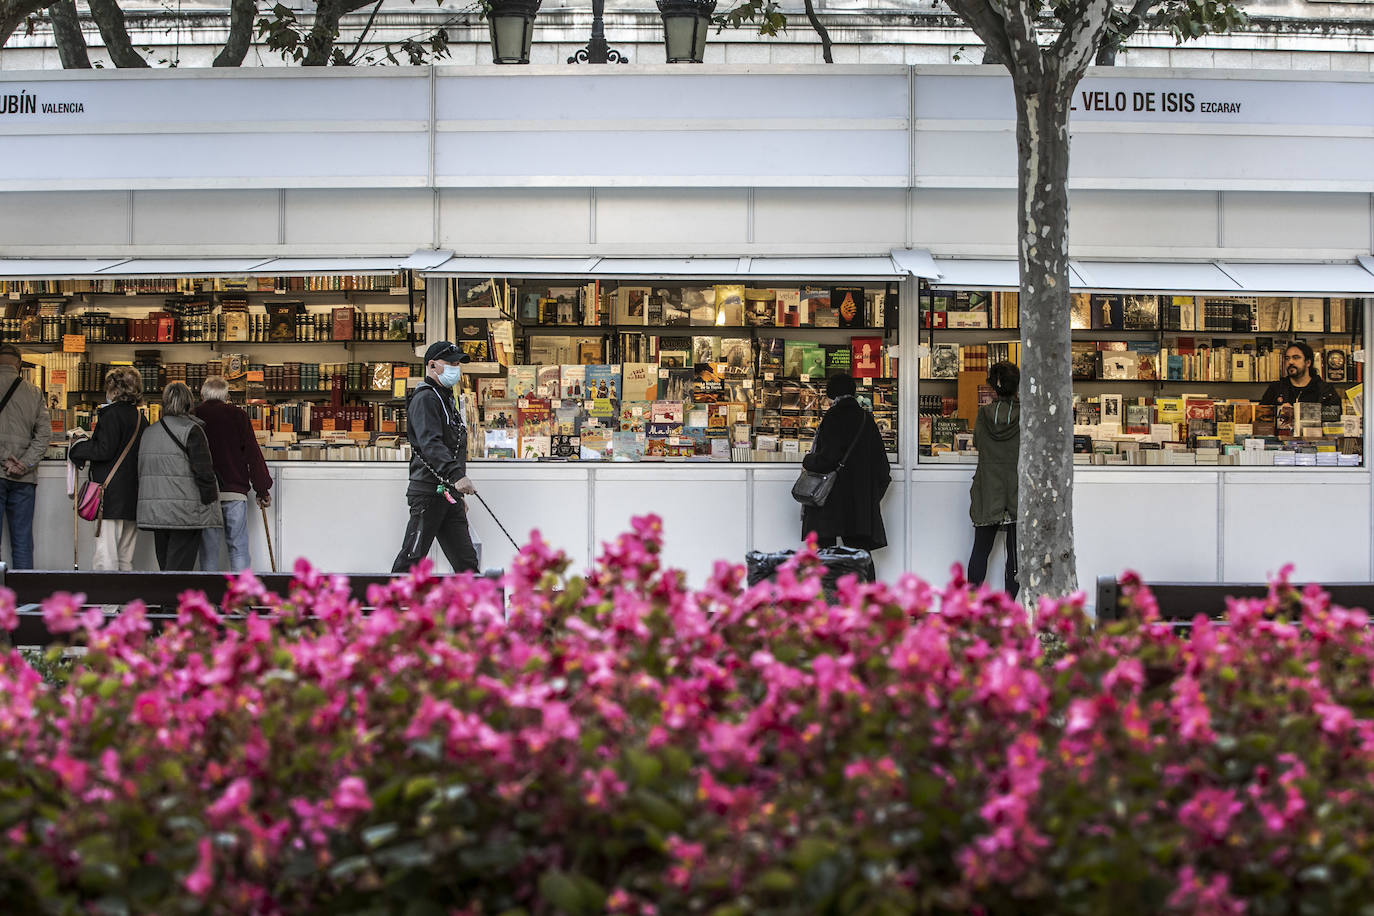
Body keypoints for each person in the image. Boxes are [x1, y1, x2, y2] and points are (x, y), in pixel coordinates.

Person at [391, 341, 478, 574]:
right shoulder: (426, 399)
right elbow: (431, 443)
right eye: (450, 363)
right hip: (429, 493)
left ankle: (476, 608)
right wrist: (456, 475)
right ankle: (390, 606)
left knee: (466, 560)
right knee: (412, 558)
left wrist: (456, 489)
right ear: (431, 365)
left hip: (448, 494)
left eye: (457, 363)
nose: (455, 368)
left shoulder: (445, 398)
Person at [800, 373, 891, 551]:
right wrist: (870, 497)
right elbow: (882, 467)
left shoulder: (832, 417)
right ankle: (864, 580)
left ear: (831, 392)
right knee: (859, 554)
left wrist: (808, 460)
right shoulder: (867, 419)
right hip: (859, 500)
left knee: (825, 553)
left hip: (830, 500)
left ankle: (830, 580)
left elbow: (827, 458)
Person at [137, 382, 222, 571]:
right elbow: (204, 470)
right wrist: (210, 501)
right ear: (188, 403)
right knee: (180, 569)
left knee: (165, 565)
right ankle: (171, 601)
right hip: (185, 511)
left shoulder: (149, 432)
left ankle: (166, 599)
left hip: (157, 511)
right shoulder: (192, 430)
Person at [69, 367, 145, 571]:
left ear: (114, 389)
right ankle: (123, 600)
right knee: (124, 556)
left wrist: (78, 447)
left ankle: (108, 603)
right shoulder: (140, 417)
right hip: (132, 493)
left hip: (110, 495)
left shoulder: (112, 415)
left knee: (106, 554)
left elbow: (104, 450)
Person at [195, 375, 273, 572]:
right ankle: (240, 600)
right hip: (235, 490)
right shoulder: (237, 415)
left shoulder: (194, 414)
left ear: (202, 395)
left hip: (205, 492)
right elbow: (252, 453)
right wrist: (262, 488)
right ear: (226, 395)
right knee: (238, 548)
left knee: (209, 550)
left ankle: (210, 602)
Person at [967, 361, 1021, 599]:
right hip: (1017, 488)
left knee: (980, 550)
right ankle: (1009, 607)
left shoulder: (983, 414)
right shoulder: (1026, 416)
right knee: (1015, 555)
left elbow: (978, 442)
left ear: (994, 387)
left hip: (988, 487)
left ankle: (969, 606)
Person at [0, 344, 50, 569]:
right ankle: (25, 599)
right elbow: (44, 435)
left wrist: (4, 459)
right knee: (22, 542)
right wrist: (24, 463)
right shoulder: (34, 392)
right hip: (24, 478)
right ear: (19, 364)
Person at [1260, 341, 1341, 407]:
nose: (1290, 362)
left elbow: (1334, 420)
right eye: (1287, 358)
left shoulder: (1325, 390)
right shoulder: (1276, 388)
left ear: (1308, 362)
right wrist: (1279, 413)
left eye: (1296, 357)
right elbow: (1261, 418)